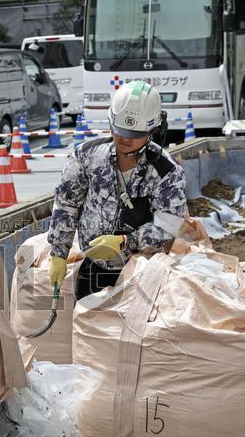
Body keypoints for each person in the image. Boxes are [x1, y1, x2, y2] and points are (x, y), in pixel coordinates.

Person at [48, 80, 188, 299]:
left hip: (143, 271)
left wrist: (125, 241)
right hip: (95, 268)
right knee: (88, 329)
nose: (124, 139)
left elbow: (167, 226)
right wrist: (58, 253)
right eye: (120, 131)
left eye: (134, 134)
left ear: (152, 130)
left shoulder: (166, 172)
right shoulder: (87, 157)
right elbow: (67, 205)